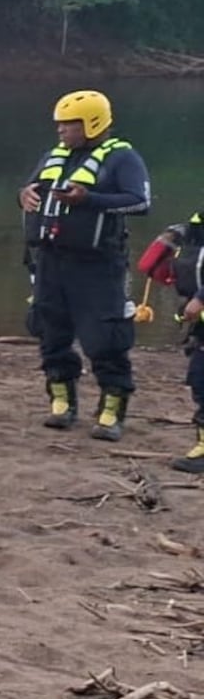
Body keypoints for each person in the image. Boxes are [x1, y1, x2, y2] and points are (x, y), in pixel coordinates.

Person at [18, 89, 151, 442]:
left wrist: (90, 199)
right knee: (51, 332)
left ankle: (111, 410)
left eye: (69, 124)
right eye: (59, 124)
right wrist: (23, 195)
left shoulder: (122, 158)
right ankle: (62, 402)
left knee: (105, 338)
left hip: (98, 265)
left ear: (92, 123)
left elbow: (140, 202)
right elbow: (31, 188)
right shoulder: (54, 155)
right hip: (50, 261)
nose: (61, 130)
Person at [135, 215, 204, 472]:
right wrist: (169, 239)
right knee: (200, 381)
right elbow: (151, 268)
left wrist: (200, 299)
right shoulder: (193, 230)